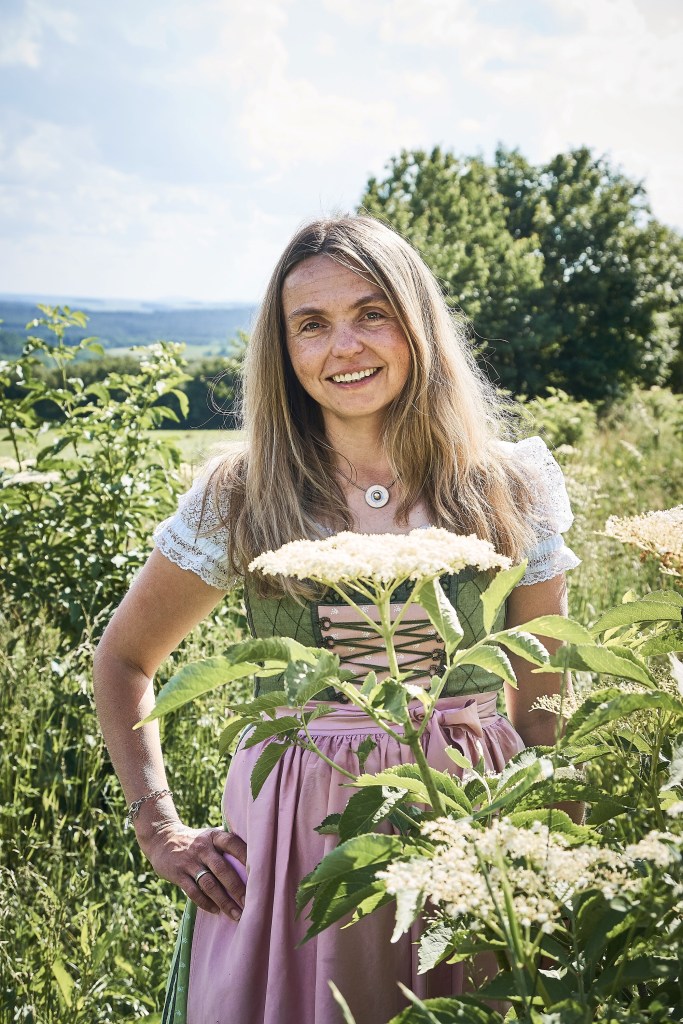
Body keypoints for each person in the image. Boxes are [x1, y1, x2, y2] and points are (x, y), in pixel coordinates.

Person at [93, 216, 580, 1024]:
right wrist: (159, 830)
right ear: (283, 350)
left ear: (417, 324)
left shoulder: (506, 486)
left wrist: (551, 861)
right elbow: (125, 660)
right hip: (296, 837)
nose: (343, 346)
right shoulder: (244, 494)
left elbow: (543, 704)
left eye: (371, 313)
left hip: (473, 825)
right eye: (311, 325)